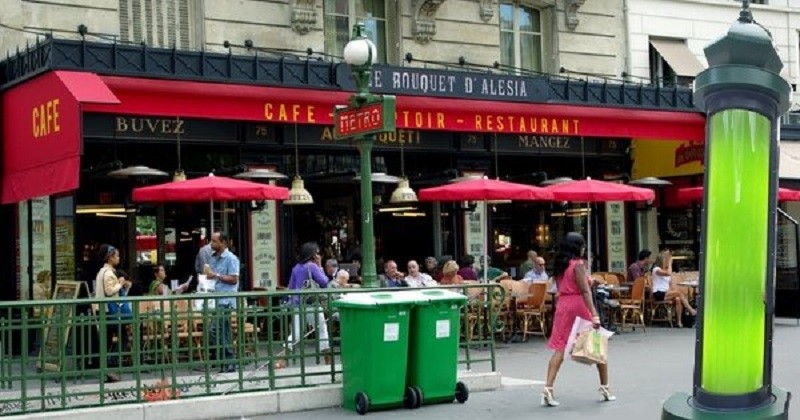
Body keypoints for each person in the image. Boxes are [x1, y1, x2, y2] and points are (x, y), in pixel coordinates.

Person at [542, 232, 615, 407]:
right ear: (578, 247)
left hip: (563, 305)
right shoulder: (579, 264)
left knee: (560, 347)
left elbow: (565, 284)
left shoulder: (560, 264)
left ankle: (548, 388)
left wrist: (590, 281)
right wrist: (594, 313)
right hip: (578, 305)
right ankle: (605, 387)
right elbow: (584, 291)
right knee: (597, 343)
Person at [277, 241, 332, 368]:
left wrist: (287, 301)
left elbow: (290, 288)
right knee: (322, 331)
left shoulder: (296, 268)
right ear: (312, 254)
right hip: (312, 303)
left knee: (296, 333)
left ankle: (282, 359)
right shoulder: (312, 266)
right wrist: (320, 266)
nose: (319, 255)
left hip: (298, 304)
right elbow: (324, 283)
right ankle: (328, 361)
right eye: (317, 253)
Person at [203, 231, 241, 373]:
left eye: (214, 241)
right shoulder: (213, 258)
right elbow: (214, 277)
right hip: (215, 298)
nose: (211, 244)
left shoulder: (231, 258)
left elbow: (234, 279)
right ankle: (228, 361)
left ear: (223, 242)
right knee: (223, 331)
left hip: (226, 300)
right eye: (211, 241)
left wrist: (216, 275)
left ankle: (228, 359)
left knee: (214, 330)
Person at [95, 244, 132, 383]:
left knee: (108, 341)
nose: (119, 258)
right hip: (111, 312)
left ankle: (106, 370)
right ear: (110, 257)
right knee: (123, 338)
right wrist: (121, 283)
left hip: (103, 311)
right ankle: (110, 365)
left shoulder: (101, 272)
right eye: (116, 255)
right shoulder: (109, 273)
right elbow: (110, 291)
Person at [651, 250, 696, 328]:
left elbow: (672, 285)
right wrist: (669, 262)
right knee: (679, 293)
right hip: (658, 293)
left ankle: (679, 322)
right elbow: (668, 273)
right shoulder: (656, 269)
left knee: (678, 298)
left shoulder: (667, 271)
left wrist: (674, 291)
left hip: (666, 292)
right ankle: (691, 310)